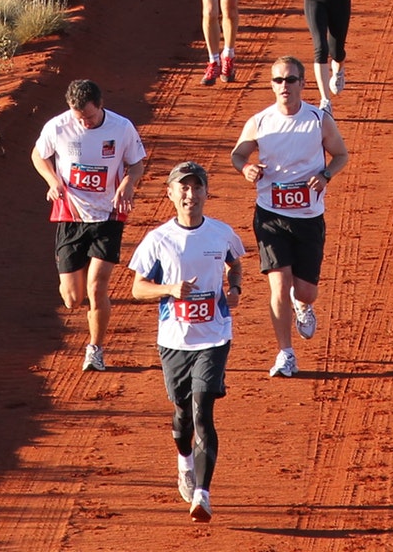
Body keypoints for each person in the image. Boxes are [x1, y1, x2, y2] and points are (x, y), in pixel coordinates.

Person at [129, 161, 245, 523]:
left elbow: (235, 263)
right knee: (182, 418)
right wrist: (169, 289)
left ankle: (203, 494)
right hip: (174, 341)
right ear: (171, 194)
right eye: (183, 188)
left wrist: (235, 287)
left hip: (213, 337)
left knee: (202, 412)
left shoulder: (222, 233)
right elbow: (137, 288)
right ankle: (184, 462)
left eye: (196, 188)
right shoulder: (158, 239)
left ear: (206, 193)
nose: (190, 195)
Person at [231, 55, 349, 379]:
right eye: (278, 80)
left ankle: (304, 305)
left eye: (290, 80)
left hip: (309, 216)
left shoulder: (318, 119)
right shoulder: (260, 121)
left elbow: (341, 155)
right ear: (272, 85)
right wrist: (246, 168)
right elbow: (238, 153)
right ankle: (285, 353)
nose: (284, 86)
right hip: (271, 215)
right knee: (278, 286)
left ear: (302, 83)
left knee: (305, 291)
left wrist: (325, 175)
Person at [31, 78, 149, 372]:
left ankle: (95, 349)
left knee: (98, 287)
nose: (83, 123)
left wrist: (128, 185)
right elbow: (38, 155)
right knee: (72, 298)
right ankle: (81, 286)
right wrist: (52, 180)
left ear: (101, 105)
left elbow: (136, 164)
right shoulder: (58, 126)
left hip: (108, 214)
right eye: (78, 117)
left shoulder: (121, 128)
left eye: (90, 117)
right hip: (70, 215)